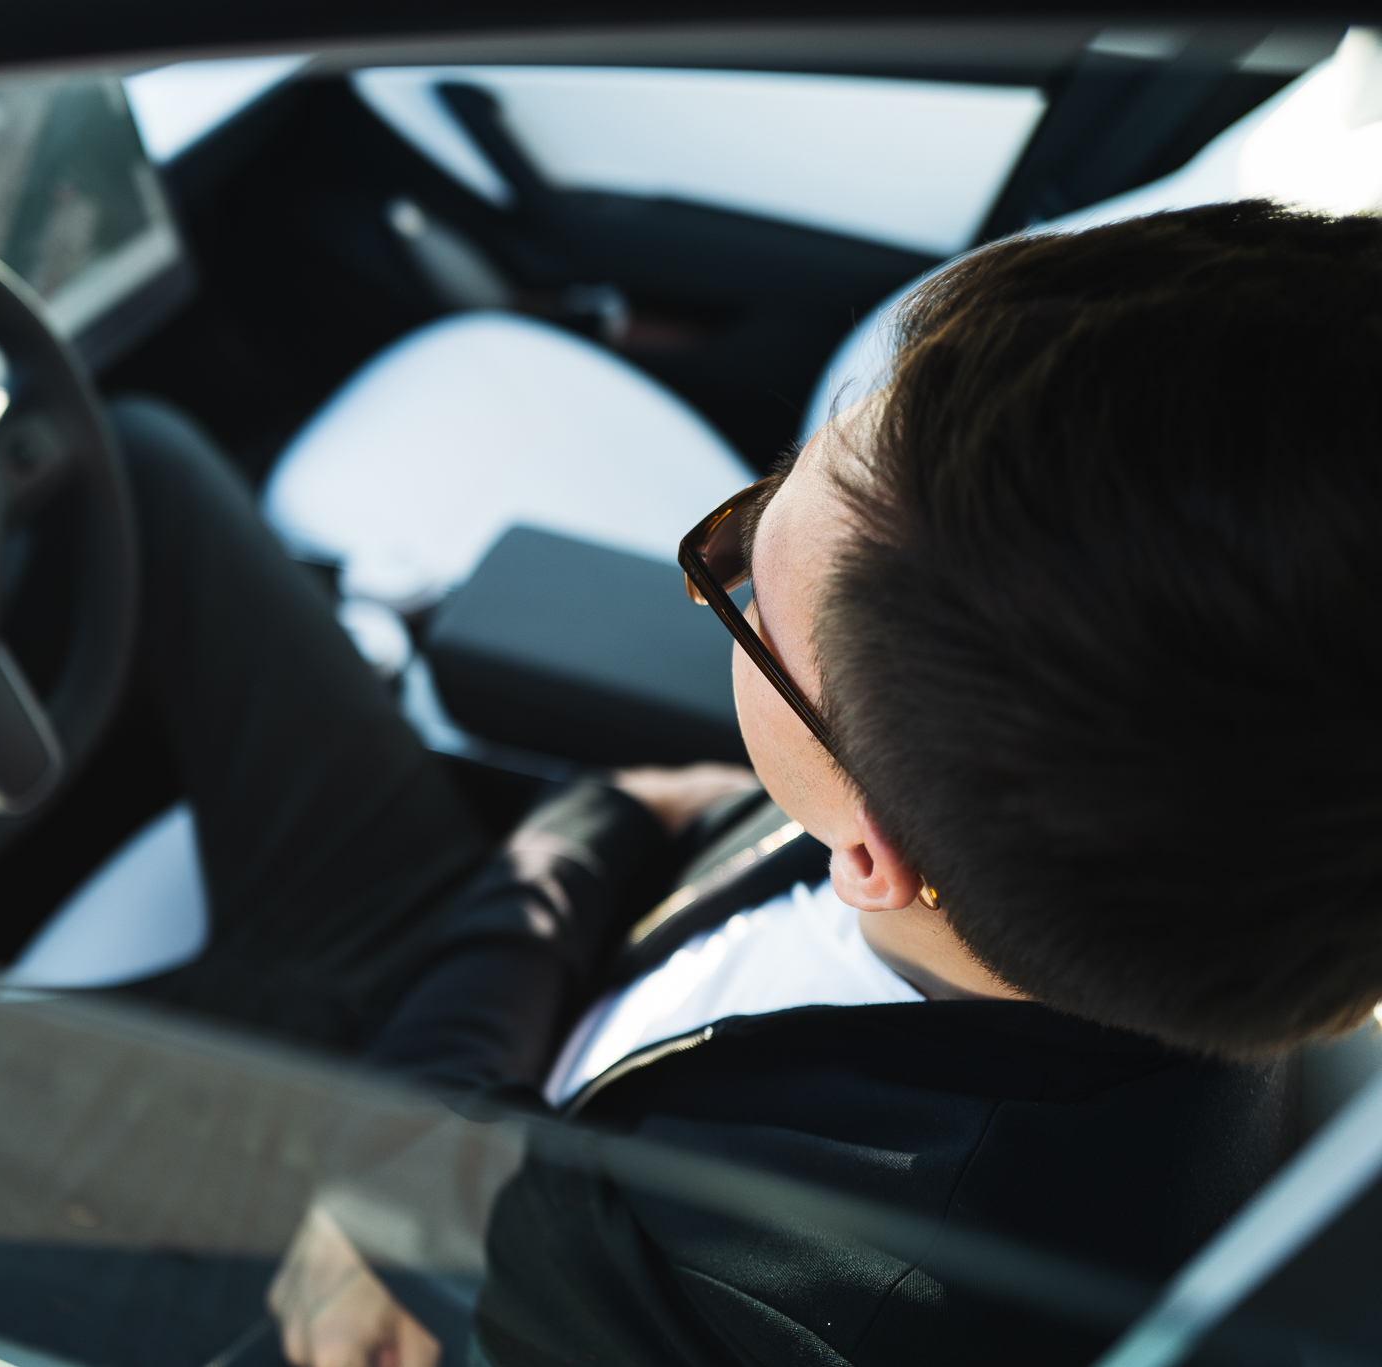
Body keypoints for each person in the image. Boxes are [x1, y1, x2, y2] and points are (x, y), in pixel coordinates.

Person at [83, 201, 1382, 1367]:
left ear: (871, 853)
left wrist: (393, 1156)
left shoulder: (794, 1307)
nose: (726, 571)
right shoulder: (1020, 831)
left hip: (327, 1272)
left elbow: (463, 1261)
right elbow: (654, 802)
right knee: (129, 458)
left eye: (740, 584)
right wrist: (416, 1115)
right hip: (463, 1021)